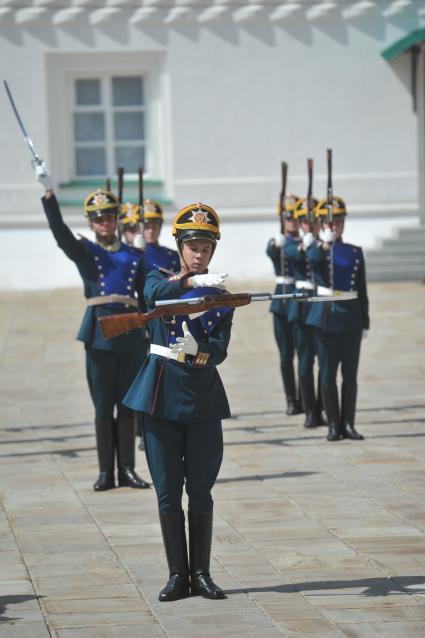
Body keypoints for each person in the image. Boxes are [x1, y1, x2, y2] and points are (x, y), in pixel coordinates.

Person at [124, 203, 231, 602]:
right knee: (167, 491)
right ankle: (176, 576)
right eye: (192, 246)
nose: (198, 253)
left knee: (201, 489)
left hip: (202, 399)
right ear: (180, 247)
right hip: (160, 397)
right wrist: (188, 285)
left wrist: (197, 348)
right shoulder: (160, 278)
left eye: (205, 246)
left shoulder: (220, 294)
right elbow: (153, 294)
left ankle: (201, 573)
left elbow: (219, 351)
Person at [34, 164, 150, 491]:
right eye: (98, 218)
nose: (104, 222)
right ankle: (105, 472)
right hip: (100, 333)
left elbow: (146, 296)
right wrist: (49, 194)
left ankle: (127, 469)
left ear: (116, 220)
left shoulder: (133, 254)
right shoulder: (87, 253)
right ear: (91, 223)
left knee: (127, 403)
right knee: (103, 404)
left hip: (130, 332)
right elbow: (59, 234)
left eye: (109, 217)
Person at [306, 196, 369, 441]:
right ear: (321, 224)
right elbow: (310, 261)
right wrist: (323, 245)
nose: (334, 227)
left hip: (351, 319)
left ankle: (348, 424)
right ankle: (333, 424)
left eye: (338, 222)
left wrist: (365, 321)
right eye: (329, 223)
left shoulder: (354, 252)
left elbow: (361, 289)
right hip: (325, 318)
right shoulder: (316, 250)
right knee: (328, 374)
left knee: (350, 376)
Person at [284, 197, 323, 428]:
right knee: (306, 361)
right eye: (304, 221)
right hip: (301, 308)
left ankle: (321, 408)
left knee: (324, 363)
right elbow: (294, 256)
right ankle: (310, 411)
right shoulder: (292, 244)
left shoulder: (324, 244)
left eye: (313, 221)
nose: (309, 225)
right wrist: (306, 244)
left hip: (321, 306)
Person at [266, 195, 302, 415]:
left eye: (295, 216)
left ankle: (307, 399)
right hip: (281, 301)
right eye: (287, 217)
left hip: (300, 299)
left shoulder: (306, 240)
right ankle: (291, 399)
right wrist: (277, 244)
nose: (291, 221)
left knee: (305, 355)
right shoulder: (277, 242)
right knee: (286, 354)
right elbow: (270, 252)